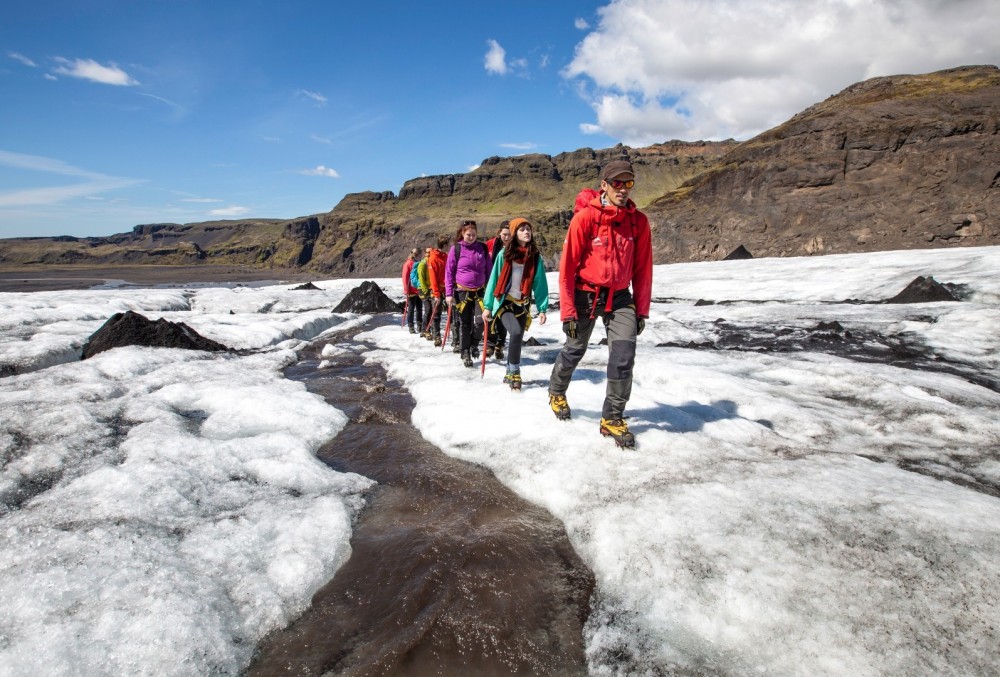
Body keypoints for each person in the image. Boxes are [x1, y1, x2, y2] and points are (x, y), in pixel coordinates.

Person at [547, 158, 653, 448]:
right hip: (586, 295)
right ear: (604, 185)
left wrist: (641, 310)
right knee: (575, 349)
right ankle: (556, 391)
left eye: (628, 183)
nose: (623, 188)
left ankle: (612, 418)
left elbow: (643, 269)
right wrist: (568, 312)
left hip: (620, 297)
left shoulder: (639, 222)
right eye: (617, 183)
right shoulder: (585, 219)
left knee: (623, 357)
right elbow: (567, 269)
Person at [482, 218, 548, 391]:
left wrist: (542, 308)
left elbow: (540, 283)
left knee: (516, 338)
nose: (527, 232)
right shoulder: (504, 255)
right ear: (514, 233)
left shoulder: (534, 257)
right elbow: (494, 280)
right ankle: (515, 371)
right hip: (505, 303)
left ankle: (508, 371)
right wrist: (487, 306)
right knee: (517, 332)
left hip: (523, 305)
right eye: (522, 229)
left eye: (528, 229)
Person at [445, 220, 490, 368]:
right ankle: (465, 352)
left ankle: (474, 344)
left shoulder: (482, 248)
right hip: (462, 293)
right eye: (468, 235)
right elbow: (449, 272)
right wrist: (448, 293)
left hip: (480, 292)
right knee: (464, 323)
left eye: (474, 235)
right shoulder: (456, 249)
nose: (471, 237)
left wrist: (491, 291)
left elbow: (489, 271)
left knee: (480, 322)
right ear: (463, 234)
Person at [485, 223, 512, 360]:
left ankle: (499, 345)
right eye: (504, 234)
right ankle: (490, 344)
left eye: (509, 235)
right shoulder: (490, 245)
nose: (506, 237)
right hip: (491, 284)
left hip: (507, 288)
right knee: (491, 315)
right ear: (499, 233)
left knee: (504, 317)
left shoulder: (515, 248)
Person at [425, 236, 449, 347]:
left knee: (450, 313)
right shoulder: (433, 258)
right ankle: (437, 336)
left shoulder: (446, 256)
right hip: (437, 290)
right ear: (444, 245)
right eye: (448, 244)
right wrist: (436, 293)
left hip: (446, 289)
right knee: (436, 314)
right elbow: (433, 277)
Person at [401, 248, 423, 334]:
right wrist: (406, 290)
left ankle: (419, 325)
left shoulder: (418, 263)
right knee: (411, 309)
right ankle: (411, 326)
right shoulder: (408, 264)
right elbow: (405, 278)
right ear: (417, 255)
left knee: (419, 309)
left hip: (418, 289)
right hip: (412, 290)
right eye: (421, 254)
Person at [417, 247, 433, 340]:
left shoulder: (429, 262)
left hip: (429, 289)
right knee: (428, 309)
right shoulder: (423, 264)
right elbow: (421, 279)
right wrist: (426, 290)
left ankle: (426, 329)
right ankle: (424, 330)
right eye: (427, 252)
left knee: (430, 310)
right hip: (423, 290)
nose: (429, 254)